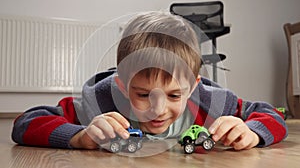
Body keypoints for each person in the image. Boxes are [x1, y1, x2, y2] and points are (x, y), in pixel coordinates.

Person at [12, 11, 287, 151]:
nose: (157, 109)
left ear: (192, 87)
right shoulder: (103, 100)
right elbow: (25, 123)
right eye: (143, 95)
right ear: (122, 87)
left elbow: (271, 115)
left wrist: (252, 132)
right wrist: (79, 136)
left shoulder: (209, 101)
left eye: (175, 96)